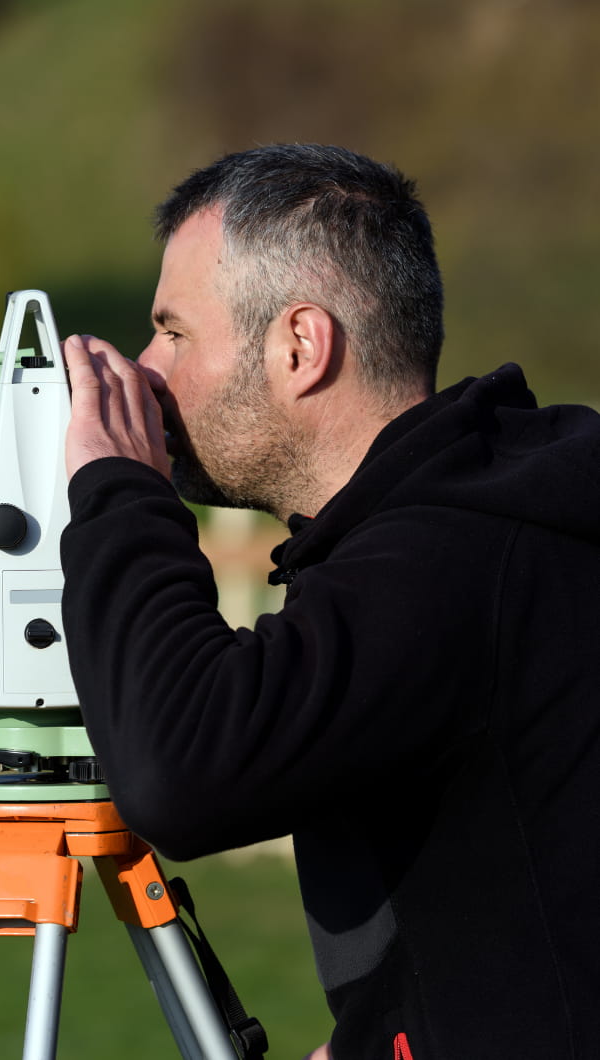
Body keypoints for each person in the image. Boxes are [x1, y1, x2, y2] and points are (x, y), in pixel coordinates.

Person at [58, 144, 600, 1059]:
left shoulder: (445, 562)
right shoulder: (490, 520)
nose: (146, 371)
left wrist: (116, 492)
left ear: (301, 346)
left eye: (174, 331)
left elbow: (181, 770)